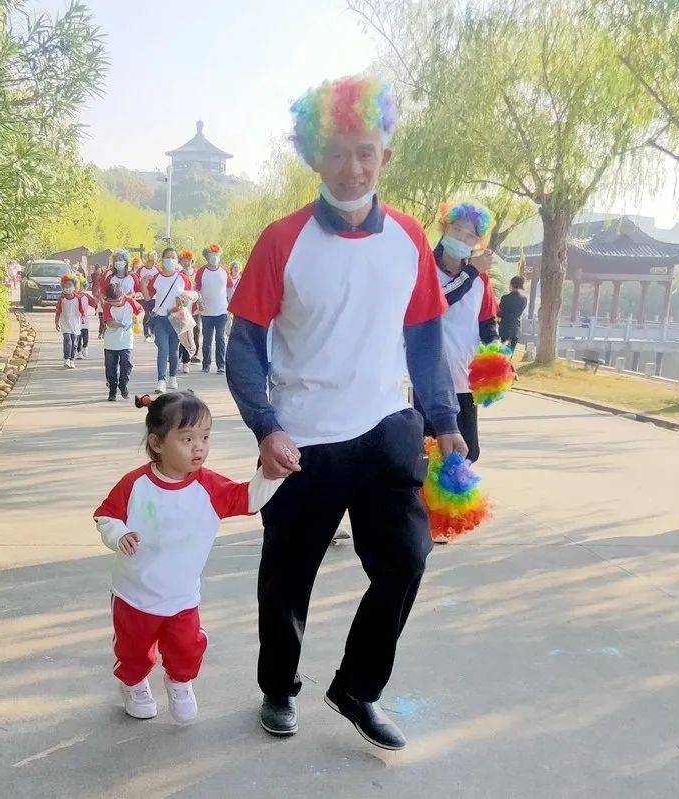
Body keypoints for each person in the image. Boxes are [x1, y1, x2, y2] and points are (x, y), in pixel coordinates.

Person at [226, 75, 465, 749]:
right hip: (302, 442)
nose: (352, 167)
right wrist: (265, 424)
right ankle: (278, 686)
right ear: (313, 155)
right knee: (286, 579)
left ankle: (358, 688)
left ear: (385, 154)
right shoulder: (282, 239)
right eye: (336, 151)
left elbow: (424, 336)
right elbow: (244, 343)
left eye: (365, 151)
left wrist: (444, 420)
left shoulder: (409, 237)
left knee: (407, 559)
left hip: (388, 430)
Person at [93, 392, 283, 724]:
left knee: (186, 647)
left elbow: (248, 499)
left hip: (182, 596)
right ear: (157, 443)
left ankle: (180, 682)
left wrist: (272, 473)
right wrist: (118, 534)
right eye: (187, 439)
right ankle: (134, 684)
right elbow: (106, 515)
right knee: (132, 649)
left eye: (205, 437)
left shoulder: (210, 487)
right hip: (134, 595)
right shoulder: (135, 484)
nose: (199, 447)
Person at [415, 201, 499, 465]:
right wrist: (471, 271)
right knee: (429, 453)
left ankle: (455, 494)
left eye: (470, 235)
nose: (462, 237)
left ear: (477, 242)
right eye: (457, 229)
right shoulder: (424, 268)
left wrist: (498, 356)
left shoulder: (481, 280)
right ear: (444, 228)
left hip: (464, 381)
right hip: (428, 381)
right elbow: (438, 302)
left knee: (467, 453)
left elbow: (487, 322)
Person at [143, 247, 195, 393]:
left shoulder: (182, 278)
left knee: (173, 350)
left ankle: (172, 377)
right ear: (162, 259)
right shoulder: (157, 278)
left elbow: (191, 296)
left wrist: (184, 301)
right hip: (160, 319)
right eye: (168, 257)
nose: (170, 260)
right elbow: (147, 297)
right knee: (163, 350)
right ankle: (161, 380)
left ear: (177, 260)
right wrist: (142, 284)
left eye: (173, 257)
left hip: (176, 319)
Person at [195, 243, 233, 374]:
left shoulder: (224, 271)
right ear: (207, 256)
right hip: (206, 312)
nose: (214, 257)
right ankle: (206, 364)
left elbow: (229, 288)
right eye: (212, 255)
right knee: (207, 339)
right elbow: (197, 289)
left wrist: (231, 304)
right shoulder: (201, 271)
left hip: (222, 311)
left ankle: (221, 365)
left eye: (217, 255)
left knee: (220, 338)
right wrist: (199, 301)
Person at [101, 283, 143, 401]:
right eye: (112, 301)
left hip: (126, 340)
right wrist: (121, 324)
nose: (116, 304)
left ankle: (123, 384)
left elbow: (141, 311)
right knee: (110, 367)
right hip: (111, 341)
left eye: (118, 300)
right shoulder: (107, 306)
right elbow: (109, 323)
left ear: (123, 295)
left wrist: (138, 319)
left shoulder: (130, 301)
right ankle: (112, 390)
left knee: (127, 363)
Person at [55, 275, 88, 369]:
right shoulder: (61, 299)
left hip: (75, 324)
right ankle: (66, 359)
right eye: (65, 286)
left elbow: (81, 310)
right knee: (67, 340)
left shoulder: (78, 298)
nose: (67, 288)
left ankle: (72, 360)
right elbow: (58, 311)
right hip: (65, 323)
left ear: (74, 286)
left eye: (69, 285)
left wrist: (83, 318)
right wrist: (56, 322)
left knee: (74, 343)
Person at [178, 249, 202, 370]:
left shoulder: (197, 274)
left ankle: (192, 355)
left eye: (188, 260)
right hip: (182, 309)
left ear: (192, 261)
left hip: (194, 308)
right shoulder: (178, 275)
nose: (186, 263)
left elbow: (200, 289)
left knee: (195, 331)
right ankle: (182, 359)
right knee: (183, 333)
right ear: (180, 262)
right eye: (184, 260)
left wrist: (200, 302)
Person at [499, 275, 528, 352]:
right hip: (515, 327)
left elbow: (500, 313)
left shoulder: (505, 298)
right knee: (510, 351)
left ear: (511, 284)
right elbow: (519, 312)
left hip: (504, 327)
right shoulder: (524, 299)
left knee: (503, 352)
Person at [137, 252, 161, 341]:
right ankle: (146, 333)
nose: (153, 262)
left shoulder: (157, 269)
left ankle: (153, 331)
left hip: (154, 297)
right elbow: (137, 282)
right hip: (144, 297)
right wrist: (143, 280)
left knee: (153, 315)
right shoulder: (141, 270)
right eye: (151, 261)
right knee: (146, 315)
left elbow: (161, 281)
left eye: (154, 261)